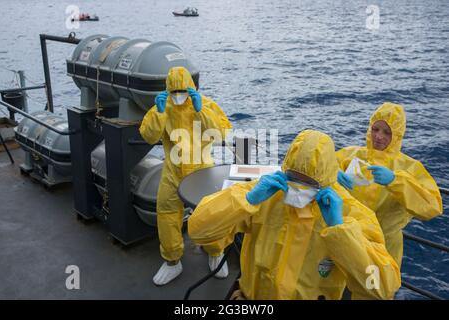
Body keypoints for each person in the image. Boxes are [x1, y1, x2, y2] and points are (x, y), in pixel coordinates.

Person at [188, 130, 401, 299]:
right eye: (293, 177)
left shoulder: (351, 212)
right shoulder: (266, 194)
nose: (299, 187)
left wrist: (340, 230)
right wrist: (247, 200)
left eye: (309, 183)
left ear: (326, 181)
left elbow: (382, 288)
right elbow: (198, 230)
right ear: (285, 169)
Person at [139, 66, 232, 285]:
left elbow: (222, 134)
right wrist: (159, 114)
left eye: (183, 90)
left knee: (210, 213)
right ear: (168, 89)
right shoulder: (161, 107)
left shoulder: (206, 105)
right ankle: (172, 262)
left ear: (192, 87)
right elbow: (148, 136)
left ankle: (216, 252)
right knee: (167, 214)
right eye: (175, 91)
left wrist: (201, 111)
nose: (179, 95)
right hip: (173, 172)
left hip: (203, 171)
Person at [336, 102, 443, 268]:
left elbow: (432, 206)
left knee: (376, 290)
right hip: (348, 239)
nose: (379, 136)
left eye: (387, 132)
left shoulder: (410, 167)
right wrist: (333, 174)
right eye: (375, 129)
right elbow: (320, 168)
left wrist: (396, 181)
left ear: (397, 136)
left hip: (383, 247)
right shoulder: (350, 154)